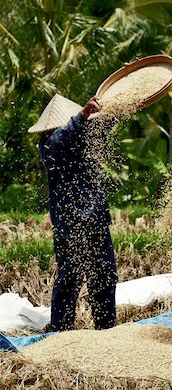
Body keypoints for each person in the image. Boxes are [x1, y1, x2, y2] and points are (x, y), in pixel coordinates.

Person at [28, 93, 117, 331]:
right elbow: (61, 139)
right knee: (70, 279)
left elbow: (108, 124)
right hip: (71, 225)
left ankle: (107, 330)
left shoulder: (85, 138)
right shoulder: (50, 143)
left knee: (105, 278)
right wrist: (81, 116)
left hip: (96, 220)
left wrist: (116, 99)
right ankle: (62, 334)